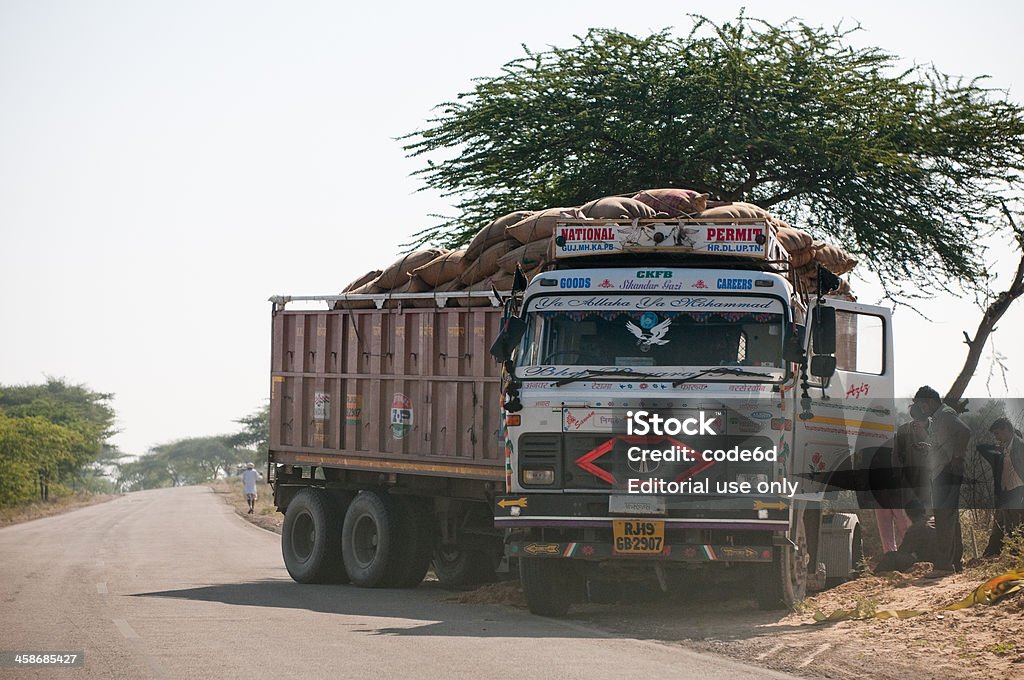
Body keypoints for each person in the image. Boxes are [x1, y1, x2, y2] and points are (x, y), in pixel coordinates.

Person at [912, 386, 971, 578]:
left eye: (922, 405)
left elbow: (965, 432)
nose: (922, 409)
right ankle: (954, 561)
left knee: (944, 518)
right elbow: (943, 443)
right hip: (941, 471)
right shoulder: (937, 418)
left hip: (946, 472)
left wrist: (957, 458)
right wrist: (928, 447)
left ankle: (944, 565)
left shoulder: (945, 415)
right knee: (949, 518)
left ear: (929, 401)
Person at [979, 418, 1024, 555]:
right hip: (1006, 493)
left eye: (998, 433)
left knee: (1018, 526)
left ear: (1006, 430)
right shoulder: (1001, 450)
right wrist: (996, 448)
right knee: (1009, 526)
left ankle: (1017, 557)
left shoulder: (1020, 446)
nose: (997, 437)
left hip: (1018, 491)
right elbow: (981, 448)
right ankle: (1011, 555)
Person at [874, 500, 938, 573]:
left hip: (928, 561)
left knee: (891, 556)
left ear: (909, 516)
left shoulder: (914, 530)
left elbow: (902, 552)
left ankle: (874, 574)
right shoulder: (936, 521)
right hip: (943, 560)